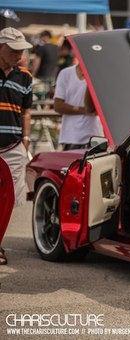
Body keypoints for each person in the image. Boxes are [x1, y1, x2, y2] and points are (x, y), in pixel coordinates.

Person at [0, 27, 33, 265]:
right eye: (13, 50)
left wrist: (26, 140)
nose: (18, 54)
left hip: (13, 146)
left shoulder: (25, 77)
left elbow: (26, 111)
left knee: (8, 200)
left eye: (21, 50)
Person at [54, 62, 101, 150]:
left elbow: (92, 109)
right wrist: (83, 110)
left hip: (93, 136)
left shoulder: (98, 74)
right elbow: (58, 106)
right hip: (70, 137)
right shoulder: (65, 73)